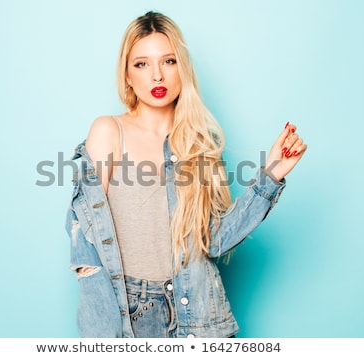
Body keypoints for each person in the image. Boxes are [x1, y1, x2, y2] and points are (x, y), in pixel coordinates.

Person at [65, 11, 307, 338]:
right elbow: (82, 230)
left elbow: (215, 239)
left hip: (198, 314)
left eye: (168, 61)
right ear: (127, 76)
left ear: (182, 69)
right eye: (141, 64)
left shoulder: (197, 144)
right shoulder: (109, 131)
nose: (157, 76)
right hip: (129, 315)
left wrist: (272, 174)